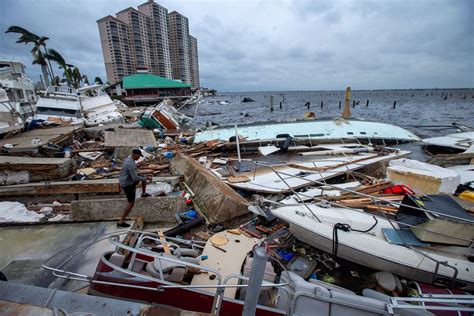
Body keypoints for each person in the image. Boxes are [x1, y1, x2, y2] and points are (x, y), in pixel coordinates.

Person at [117, 148, 151, 228]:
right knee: (131, 203)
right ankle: (121, 221)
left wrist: (137, 165)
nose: (139, 158)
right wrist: (146, 178)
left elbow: (132, 169)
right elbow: (135, 178)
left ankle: (144, 193)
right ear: (135, 155)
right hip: (127, 184)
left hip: (126, 180)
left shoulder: (130, 160)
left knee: (143, 176)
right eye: (139, 156)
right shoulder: (130, 163)